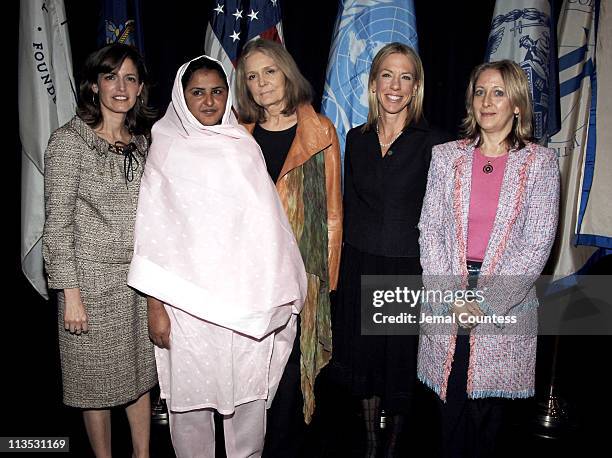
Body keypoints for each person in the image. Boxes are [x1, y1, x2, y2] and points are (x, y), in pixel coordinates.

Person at [127, 55, 307, 458]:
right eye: (197, 93)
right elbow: (152, 237)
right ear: (180, 96)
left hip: (242, 301)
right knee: (190, 401)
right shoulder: (166, 150)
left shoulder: (243, 146)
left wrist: (277, 290)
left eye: (217, 91)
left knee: (245, 395)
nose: (208, 101)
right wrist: (155, 307)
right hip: (185, 307)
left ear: (228, 95)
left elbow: (268, 229)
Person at [417, 59, 560, 457]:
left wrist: (484, 301)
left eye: (498, 93)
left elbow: (536, 244)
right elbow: (430, 230)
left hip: (505, 301)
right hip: (449, 295)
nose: (486, 101)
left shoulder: (541, 164)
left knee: (489, 418)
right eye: (480, 92)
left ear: (517, 105)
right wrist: (451, 296)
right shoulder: (447, 157)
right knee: (450, 407)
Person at [332, 42, 450, 457]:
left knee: (398, 365)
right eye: (387, 75)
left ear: (415, 86)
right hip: (360, 264)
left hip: (408, 270)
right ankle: (368, 445)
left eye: (405, 76)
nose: (395, 85)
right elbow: (348, 208)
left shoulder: (436, 143)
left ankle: (393, 449)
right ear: (373, 83)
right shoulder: (355, 139)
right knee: (363, 363)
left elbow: (443, 217)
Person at [42, 43, 157, 458]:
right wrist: (70, 296)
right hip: (88, 285)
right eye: (111, 77)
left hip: (139, 282)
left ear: (141, 87)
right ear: (94, 85)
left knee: (139, 376)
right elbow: (56, 227)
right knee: (95, 384)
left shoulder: (145, 142)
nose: (120, 87)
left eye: (130, 78)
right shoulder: (69, 142)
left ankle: (143, 454)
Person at [235, 38, 343, 456]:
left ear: (287, 73)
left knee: (292, 377)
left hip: (301, 276)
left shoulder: (319, 130)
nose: (262, 83)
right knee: (250, 375)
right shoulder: (236, 134)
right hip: (247, 277)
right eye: (252, 76)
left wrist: (328, 281)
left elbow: (333, 211)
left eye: (270, 72)